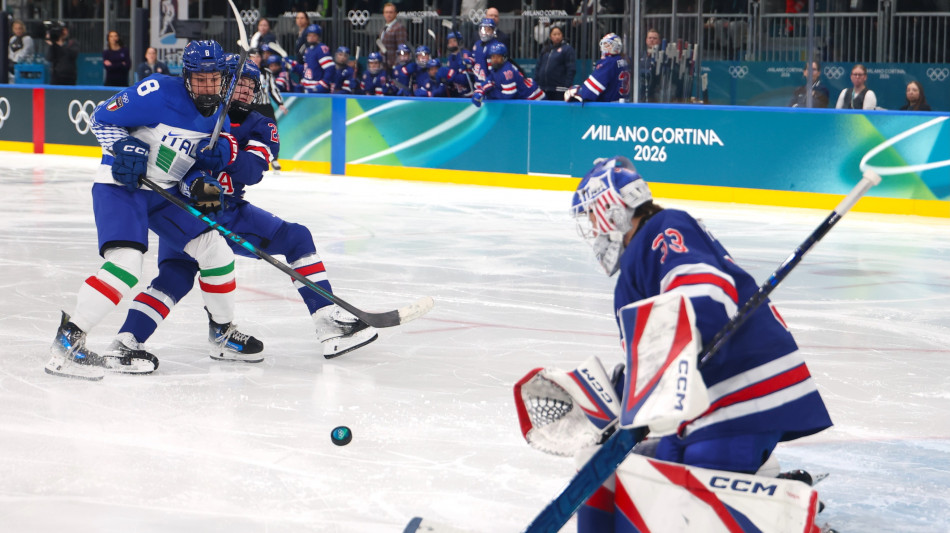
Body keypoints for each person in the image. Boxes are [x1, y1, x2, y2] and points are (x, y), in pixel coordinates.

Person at [567, 156, 833, 530]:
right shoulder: (638, 258)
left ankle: (785, 516)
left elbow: (704, 295)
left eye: (593, 214)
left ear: (614, 208)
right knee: (644, 470)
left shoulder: (664, 227)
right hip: (710, 407)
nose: (592, 227)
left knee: (680, 508)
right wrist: (625, 395)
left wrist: (683, 343)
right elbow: (653, 351)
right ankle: (764, 480)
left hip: (742, 396)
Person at [115, 59, 378, 363]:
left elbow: (252, 172)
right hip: (186, 208)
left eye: (250, 85)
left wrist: (228, 154)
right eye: (238, 83)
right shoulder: (196, 112)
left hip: (216, 209)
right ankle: (327, 323)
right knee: (290, 240)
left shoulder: (260, 123)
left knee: (178, 274)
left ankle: (134, 338)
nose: (244, 90)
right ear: (222, 83)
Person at [45, 40, 252, 381]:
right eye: (199, 79)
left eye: (213, 78)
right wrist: (122, 145)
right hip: (121, 186)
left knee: (217, 252)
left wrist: (198, 185)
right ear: (186, 76)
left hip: (164, 192)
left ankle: (222, 333)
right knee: (126, 264)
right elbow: (101, 118)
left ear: (223, 79)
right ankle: (68, 341)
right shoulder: (156, 91)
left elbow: (188, 171)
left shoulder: (219, 121)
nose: (206, 86)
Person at [471, 42, 544, 106]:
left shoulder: (507, 72)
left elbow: (509, 95)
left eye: (498, 56)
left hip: (533, 97)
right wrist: (481, 91)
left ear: (504, 57)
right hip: (526, 97)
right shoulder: (496, 66)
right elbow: (490, 79)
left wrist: (490, 94)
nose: (495, 59)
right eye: (493, 56)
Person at [565, 33, 630, 103]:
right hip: (625, 104)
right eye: (605, 45)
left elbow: (590, 90)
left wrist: (577, 92)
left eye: (608, 45)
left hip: (609, 107)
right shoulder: (626, 60)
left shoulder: (608, 62)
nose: (605, 47)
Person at [535, 26, 576, 102]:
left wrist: (567, 86)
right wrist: (536, 82)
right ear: (550, 36)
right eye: (554, 34)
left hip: (559, 89)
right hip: (543, 88)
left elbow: (571, 69)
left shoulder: (567, 49)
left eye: (559, 34)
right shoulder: (545, 49)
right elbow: (538, 66)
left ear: (562, 35)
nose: (557, 36)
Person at [300, 24, 333, 93]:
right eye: (309, 35)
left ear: (318, 37)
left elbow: (330, 69)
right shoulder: (308, 50)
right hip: (307, 87)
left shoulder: (322, 49)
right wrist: (293, 65)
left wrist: (323, 84)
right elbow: (307, 69)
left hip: (317, 89)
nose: (311, 37)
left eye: (314, 35)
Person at [443, 31, 475, 98]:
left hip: (468, 94)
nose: (452, 44)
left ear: (460, 42)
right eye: (450, 42)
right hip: (456, 93)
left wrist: (450, 75)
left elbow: (466, 79)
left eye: (454, 41)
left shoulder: (466, 54)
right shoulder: (450, 57)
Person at [45, 21, 78, 85]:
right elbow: (49, 58)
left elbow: (73, 55)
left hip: (69, 76)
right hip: (56, 75)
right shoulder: (54, 44)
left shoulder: (72, 42)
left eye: (63, 30)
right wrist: (52, 45)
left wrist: (60, 44)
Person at [379, 2, 408, 69]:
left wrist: (395, 66)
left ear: (395, 14)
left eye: (390, 12)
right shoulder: (383, 28)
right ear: (383, 14)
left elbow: (401, 49)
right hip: (383, 65)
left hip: (393, 66)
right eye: (386, 12)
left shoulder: (399, 27)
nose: (388, 15)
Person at [471, 17, 501, 82]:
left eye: (488, 29)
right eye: (483, 29)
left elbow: (495, 71)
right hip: (477, 83)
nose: (485, 32)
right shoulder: (477, 44)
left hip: (490, 84)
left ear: (493, 31)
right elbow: (474, 59)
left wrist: (487, 83)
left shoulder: (496, 47)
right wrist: (469, 61)